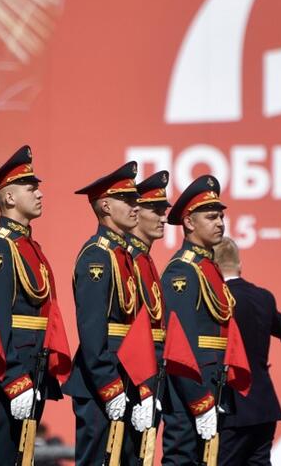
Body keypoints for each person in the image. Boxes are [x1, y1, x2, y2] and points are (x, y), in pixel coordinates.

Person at [0, 145, 65, 465]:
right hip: (8, 373)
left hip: (32, 368)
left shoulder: (28, 246)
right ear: (9, 198)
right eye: (31, 188)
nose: (39, 194)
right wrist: (14, 378)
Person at [64, 161, 154, 464]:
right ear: (104, 206)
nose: (135, 207)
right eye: (126, 200)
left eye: (135, 200)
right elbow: (92, 331)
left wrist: (141, 386)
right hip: (103, 381)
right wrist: (109, 385)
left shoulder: (123, 256)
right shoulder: (97, 257)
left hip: (127, 376)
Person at [214, 236, 281, 466]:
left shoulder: (218, 298)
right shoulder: (263, 297)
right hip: (263, 405)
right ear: (239, 265)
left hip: (232, 406)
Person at [161, 174, 233, 465]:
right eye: (212, 217)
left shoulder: (207, 267)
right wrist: (200, 401)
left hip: (213, 383)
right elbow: (182, 345)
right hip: (190, 390)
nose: (220, 223)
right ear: (189, 222)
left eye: (221, 217)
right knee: (183, 458)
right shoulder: (184, 271)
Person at [126, 171, 170, 421]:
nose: (162, 218)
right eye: (155, 210)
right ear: (136, 211)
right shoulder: (129, 259)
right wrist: (143, 386)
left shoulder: (144, 259)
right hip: (133, 376)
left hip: (149, 373)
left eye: (163, 211)